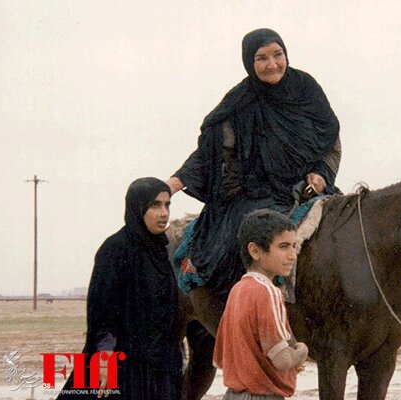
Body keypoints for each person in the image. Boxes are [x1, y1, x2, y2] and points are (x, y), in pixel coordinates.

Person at [166, 28, 341, 324]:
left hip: (304, 188)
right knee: (243, 239)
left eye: (277, 54)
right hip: (253, 193)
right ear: (249, 62)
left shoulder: (306, 89)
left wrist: (321, 173)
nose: (272, 64)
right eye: (261, 58)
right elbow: (210, 153)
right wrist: (172, 184)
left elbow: (329, 140)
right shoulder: (240, 101)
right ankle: (245, 316)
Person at [57, 177, 182, 399]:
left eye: (167, 205)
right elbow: (102, 313)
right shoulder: (115, 249)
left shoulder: (161, 252)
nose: (164, 213)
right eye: (155, 205)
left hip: (159, 364)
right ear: (137, 207)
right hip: (124, 364)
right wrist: (103, 359)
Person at [213, 209, 308, 400]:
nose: (293, 256)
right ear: (255, 251)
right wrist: (301, 352)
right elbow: (282, 360)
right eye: (283, 246)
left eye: (293, 246)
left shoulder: (237, 290)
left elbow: (220, 358)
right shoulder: (269, 292)